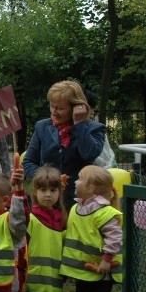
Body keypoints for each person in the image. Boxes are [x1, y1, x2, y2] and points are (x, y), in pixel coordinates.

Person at [59, 165, 123, 292]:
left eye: (80, 179)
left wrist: (106, 261)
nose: (76, 182)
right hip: (82, 272)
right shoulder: (76, 208)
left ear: (92, 187)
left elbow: (114, 238)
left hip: (101, 274)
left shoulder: (105, 212)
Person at [23, 80, 106, 208]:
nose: (54, 112)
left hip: (79, 203)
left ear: (76, 107)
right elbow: (28, 162)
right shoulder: (42, 127)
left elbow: (89, 154)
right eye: (52, 106)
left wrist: (79, 124)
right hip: (48, 202)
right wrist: (48, 180)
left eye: (60, 108)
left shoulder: (95, 129)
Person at [25, 166, 66, 292]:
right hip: (36, 277)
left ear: (59, 192)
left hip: (56, 279)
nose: (48, 195)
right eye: (43, 190)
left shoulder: (63, 220)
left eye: (53, 190)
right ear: (35, 192)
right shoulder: (31, 218)